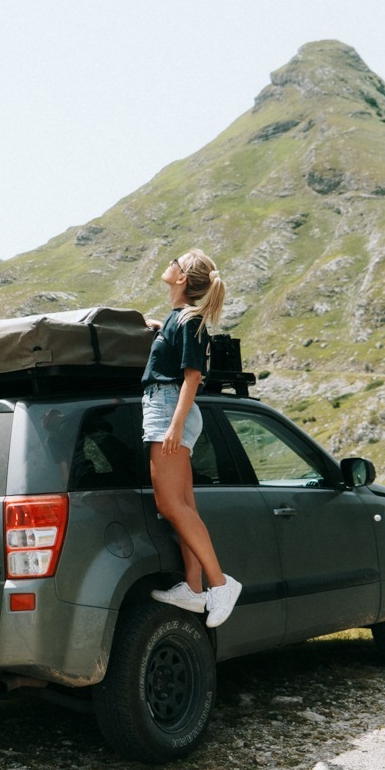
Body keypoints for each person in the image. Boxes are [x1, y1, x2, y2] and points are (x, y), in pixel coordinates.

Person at [141, 249, 241, 627]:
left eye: (175, 262)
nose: (169, 264)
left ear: (182, 278)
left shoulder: (189, 320)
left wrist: (175, 425)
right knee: (184, 506)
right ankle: (194, 588)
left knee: (169, 504)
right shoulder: (178, 318)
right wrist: (159, 330)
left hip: (169, 409)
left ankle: (221, 584)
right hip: (168, 407)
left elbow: (193, 376)